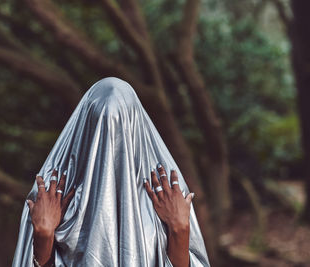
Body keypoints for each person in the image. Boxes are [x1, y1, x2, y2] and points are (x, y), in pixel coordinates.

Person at [12, 77, 210, 267]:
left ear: (135, 126)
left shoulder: (166, 192)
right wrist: (44, 234)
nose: (109, 142)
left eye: (121, 124)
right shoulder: (52, 195)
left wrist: (179, 228)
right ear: (86, 127)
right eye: (100, 123)